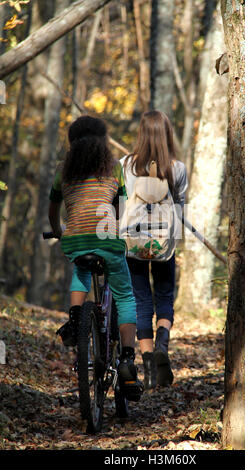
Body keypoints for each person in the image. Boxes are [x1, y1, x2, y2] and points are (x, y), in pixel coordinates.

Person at [48, 115, 143, 401]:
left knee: (81, 270)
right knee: (125, 296)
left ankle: (76, 320)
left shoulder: (63, 170)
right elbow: (119, 207)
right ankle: (126, 358)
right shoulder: (114, 168)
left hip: (76, 241)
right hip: (107, 240)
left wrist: (58, 233)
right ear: (102, 142)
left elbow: (54, 210)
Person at [120, 110, 188, 390]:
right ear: (166, 134)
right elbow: (180, 207)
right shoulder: (177, 168)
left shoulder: (125, 165)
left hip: (133, 243)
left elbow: (121, 202)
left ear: (141, 134)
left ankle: (147, 364)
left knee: (140, 298)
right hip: (163, 243)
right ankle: (162, 342)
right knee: (164, 295)